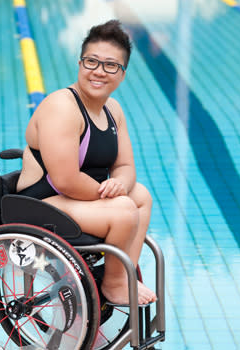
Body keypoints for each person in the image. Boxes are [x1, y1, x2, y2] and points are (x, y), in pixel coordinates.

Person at [16, 19, 156, 305]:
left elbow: (125, 166)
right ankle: (113, 284)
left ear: (122, 74)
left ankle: (123, 273)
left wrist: (119, 185)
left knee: (140, 196)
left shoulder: (113, 109)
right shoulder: (62, 107)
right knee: (124, 211)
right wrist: (110, 196)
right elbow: (66, 180)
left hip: (75, 198)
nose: (99, 72)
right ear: (80, 63)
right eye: (92, 61)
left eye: (111, 65)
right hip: (42, 201)